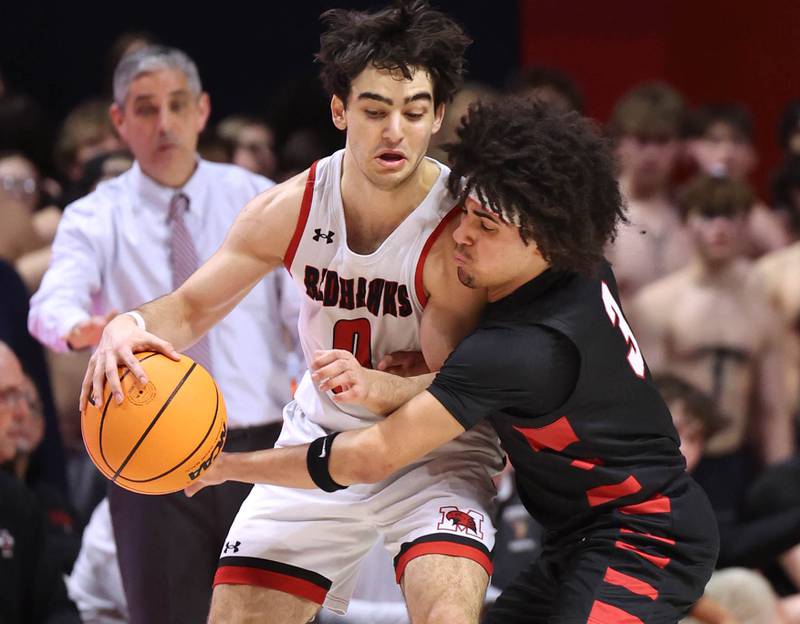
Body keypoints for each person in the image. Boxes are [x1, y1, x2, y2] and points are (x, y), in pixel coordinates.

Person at [144, 97, 720, 623]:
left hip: (647, 535)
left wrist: (223, 466)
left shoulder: (523, 346)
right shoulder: (579, 267)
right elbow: (490, 388)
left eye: (486, 226)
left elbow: (370, 457)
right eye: (466, 212)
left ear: (541, 237)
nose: (461, 235)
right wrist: (402, 384)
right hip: (580, 536)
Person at [84, 3, 504, 622]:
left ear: (437, 115)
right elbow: (193, 306)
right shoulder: (289, 208)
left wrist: (386, 385)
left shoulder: (461, 229)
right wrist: (131, 325)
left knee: (446, 613)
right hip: (322, 435)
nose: (395, 131)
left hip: (433, 449)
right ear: (339, 110)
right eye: (374, 109)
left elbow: (465, 387)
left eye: (414, 112)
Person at [30, 46, 301, 624]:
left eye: (177, 105)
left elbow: (301, 310)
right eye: (146, 108)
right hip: (148, 448)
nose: (165, 123)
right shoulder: (94, 215)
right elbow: (51, 304)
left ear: (202, 111)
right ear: (119, 121)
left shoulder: (257, 197)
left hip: (260, 443)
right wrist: (88, 328)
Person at [631, 175, 793, 474]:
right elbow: (647, 401)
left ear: (745, 224)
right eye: (707, 215)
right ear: (686, 223)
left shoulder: (762, 307)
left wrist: (780, 478)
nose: (719, 228)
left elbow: (773, 410)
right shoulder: (657, 304)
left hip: (736, 458)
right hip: (673, 457)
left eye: (730, 215)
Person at [0, 342, 80, 624]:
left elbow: (55, 608)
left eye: (22, 395)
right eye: (4, 397)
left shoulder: (17, 500)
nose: (22, 413)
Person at [604, 82, 693, 305]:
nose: (652, 153)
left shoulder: (693, 210)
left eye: (662, 141)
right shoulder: (597, 211)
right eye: (642, 140)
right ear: (619, 143)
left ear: (680, 146)